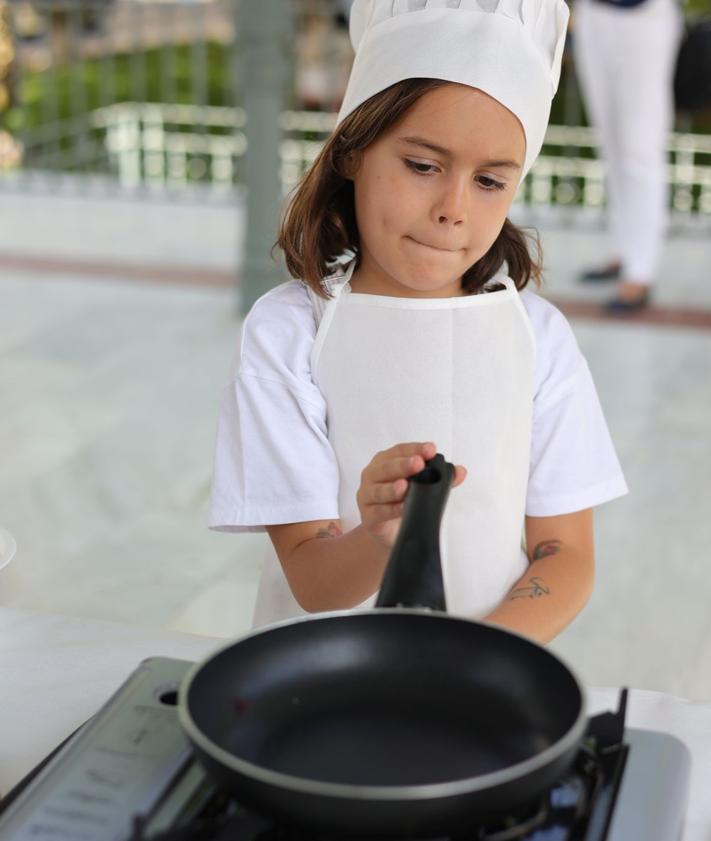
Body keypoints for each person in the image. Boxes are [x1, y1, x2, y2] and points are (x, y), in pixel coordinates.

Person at [209, 0, 628, 644]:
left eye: (489, 181)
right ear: (353, 151)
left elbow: (565, 553)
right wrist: (381, 537)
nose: (453, 209)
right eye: (424, 166)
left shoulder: (537, 337)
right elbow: (315, 583)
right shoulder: (289, 334)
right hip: (324, 681)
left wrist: (474, 662)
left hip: (488, 679)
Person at [573, 0, 683, 314]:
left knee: (640, 149)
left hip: (644, 15)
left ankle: (641, 270)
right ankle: (623, 251)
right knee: (610, 144)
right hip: (594, 13)